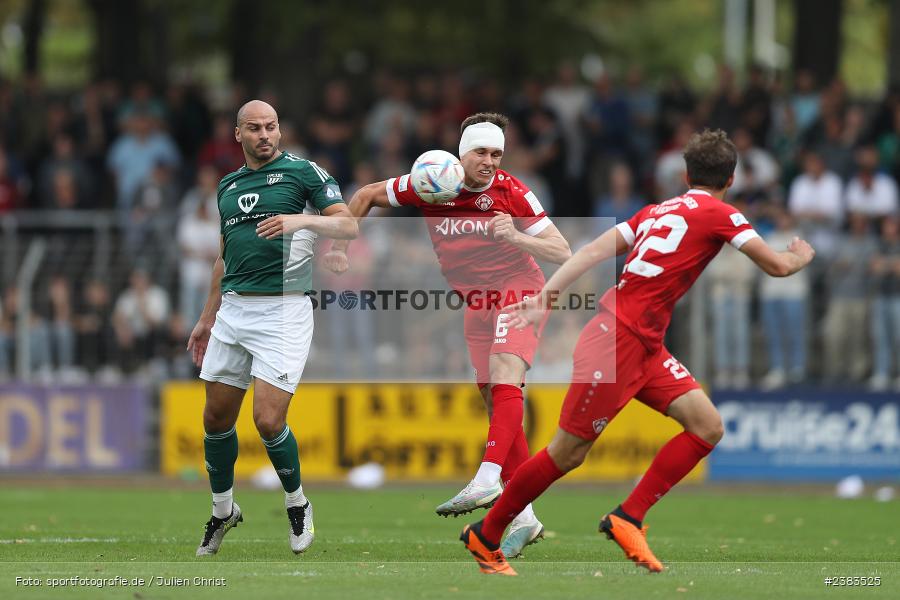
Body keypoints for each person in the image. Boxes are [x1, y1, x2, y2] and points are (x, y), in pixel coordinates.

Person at [459, 129, 815, 576]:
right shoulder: (723, 214)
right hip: (618, 341)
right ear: (732, 178)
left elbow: (591, 250)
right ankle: (486, 534)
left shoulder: (653, 211)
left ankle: (629, 517)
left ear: (686, 174)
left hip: (641, 343)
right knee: (567, 454)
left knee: (706, 426)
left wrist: (547, 295)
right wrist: (801, 254)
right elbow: (778, 265)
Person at [326, 112, 572, 558]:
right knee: (495, 398)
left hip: (520, 290)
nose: (490, 162)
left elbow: (561, 249)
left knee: (504, 375)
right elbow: (364, 196)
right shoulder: (431, 180)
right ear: (462, 153)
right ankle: (527, 517)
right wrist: (342, 247)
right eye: (481, 152)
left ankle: (486, 479)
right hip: (476, 302)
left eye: (497, 153)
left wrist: (517, 237)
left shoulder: (512, 192)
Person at [187, 100, 357, 557]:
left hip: (283, 310)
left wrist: (300, 219)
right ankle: (223, 511)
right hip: (233, 312)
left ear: (280, 131)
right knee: (215, 418)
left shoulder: (304, 173)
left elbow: (349, 221)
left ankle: (297, 503)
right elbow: (224, 257)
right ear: (237, 134)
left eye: (272, 127)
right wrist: (206, 318)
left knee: (267, 419)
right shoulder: (227, 186)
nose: (265, 134)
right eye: (255, 128)